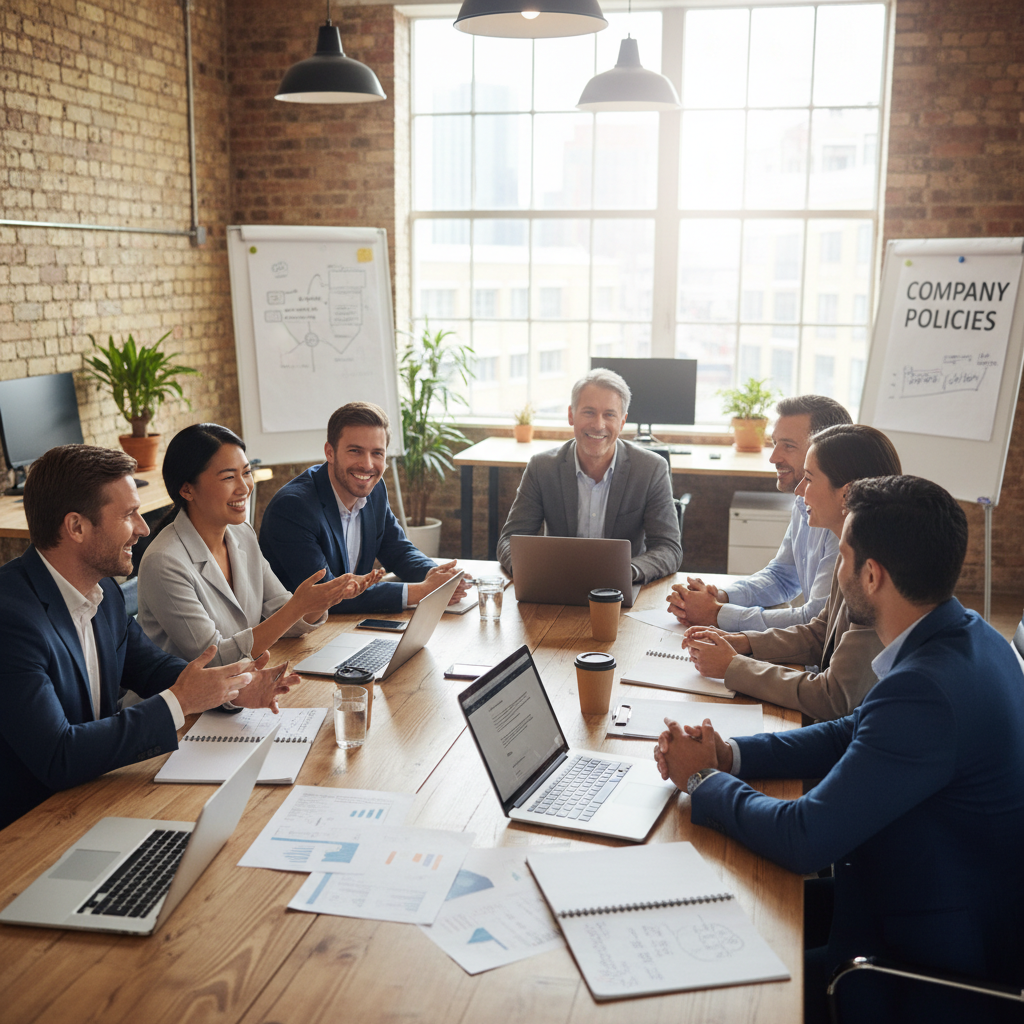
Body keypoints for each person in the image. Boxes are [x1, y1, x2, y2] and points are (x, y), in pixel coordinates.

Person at [653, 475, 1024, 1024]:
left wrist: (703, 781)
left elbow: (804, 837)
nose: (836, 570)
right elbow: (850, 730)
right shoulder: (970, 635)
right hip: (906, 896)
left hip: (922, 968)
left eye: (844, 557)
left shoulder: (926, 691)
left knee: (706, 993)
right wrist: (730, 754)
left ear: (871, 575)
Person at [0, 445, 296, 831]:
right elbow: (59, 755)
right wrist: (180, 702)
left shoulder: (100, 593)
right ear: (76, 527)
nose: (143, 527)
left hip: (95, 797)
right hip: (30, 828)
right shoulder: (11, 618)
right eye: (128, 515)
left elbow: (154, 667)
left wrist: (231, 689)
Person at [683, 424, 901, 719]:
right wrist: (743, 642)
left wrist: (734, 666)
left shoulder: (874, 572)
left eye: (809, 479)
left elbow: (834, 698)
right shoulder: (855, 548)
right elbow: (820, 633)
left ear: (847, 494)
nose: (799, 491)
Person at [137, 424, 381, 665]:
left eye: (246, 472)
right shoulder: (164, 562)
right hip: (191, 702)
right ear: (187, 490)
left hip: (243, 686)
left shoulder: (241, 534)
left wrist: (322, 600)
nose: (244, 488)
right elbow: (215, 660)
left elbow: (282, 615)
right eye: (229, 477)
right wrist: (297, 607)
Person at [259, 401, 470, 614]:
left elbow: (398, 550)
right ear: (330, 452)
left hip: (348, 626)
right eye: (355, 451)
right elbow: (327, 594)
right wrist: (422, 591)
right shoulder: (293, 507)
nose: (368, 465)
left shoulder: (375, 490)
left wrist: (435, 575)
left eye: (377, 453)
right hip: (295, 639)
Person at [668, 394, 852, 630]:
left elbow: (817, 619)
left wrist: (717, 614)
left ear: (826, 451)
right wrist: (720, 596)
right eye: (774, 443)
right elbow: (782, 576)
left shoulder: (845, 520)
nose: (773, 457)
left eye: (788, 445)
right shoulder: (804, 499)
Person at [496, 368, 681, 583]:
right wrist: (534, 572)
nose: (598, 425)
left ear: (622, 422)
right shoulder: (542, 468)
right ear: (571, 415)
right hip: (556, 586)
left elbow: (669, 548)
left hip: (621, 592)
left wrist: (627, 572)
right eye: (589, 412)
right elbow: (510, 540)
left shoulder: (651, 469)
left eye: (609, 414)